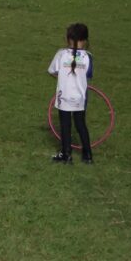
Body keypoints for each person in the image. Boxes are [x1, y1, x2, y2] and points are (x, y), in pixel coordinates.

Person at [47, 23, 94, 164]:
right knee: (81, 124)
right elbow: (88, 75)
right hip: (80, 97)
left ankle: (66, 155)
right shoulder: (88, 57)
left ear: (68, 39)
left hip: (64, 95)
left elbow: (51, 71)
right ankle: (88, 156)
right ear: (85, 40)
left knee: (65, 125)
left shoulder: (61, 54)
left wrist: (62, 77)